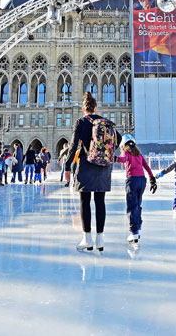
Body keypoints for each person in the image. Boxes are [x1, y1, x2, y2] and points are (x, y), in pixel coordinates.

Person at [65, 92, 120, 252]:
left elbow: (73, 145)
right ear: (96, 108)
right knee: (100, 202)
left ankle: (87, 239)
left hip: (86, 165)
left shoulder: (81, 122)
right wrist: (107, 153)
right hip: (103, 167)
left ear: (84, 109)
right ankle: (100, 240)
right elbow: (120, 138)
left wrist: (68, 166)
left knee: (85, 202)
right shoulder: (105, 123)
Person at [115, 134, 156, 244]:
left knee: (132, 206)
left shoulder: (126, 152)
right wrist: (152, 178)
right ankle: (138, 223)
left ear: (123, 144)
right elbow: (146, 166)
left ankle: (134, 233)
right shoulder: (138, 154)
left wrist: (114, 158)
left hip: (132, 180)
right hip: (142, 180)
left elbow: (123, 159)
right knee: (137, 204)